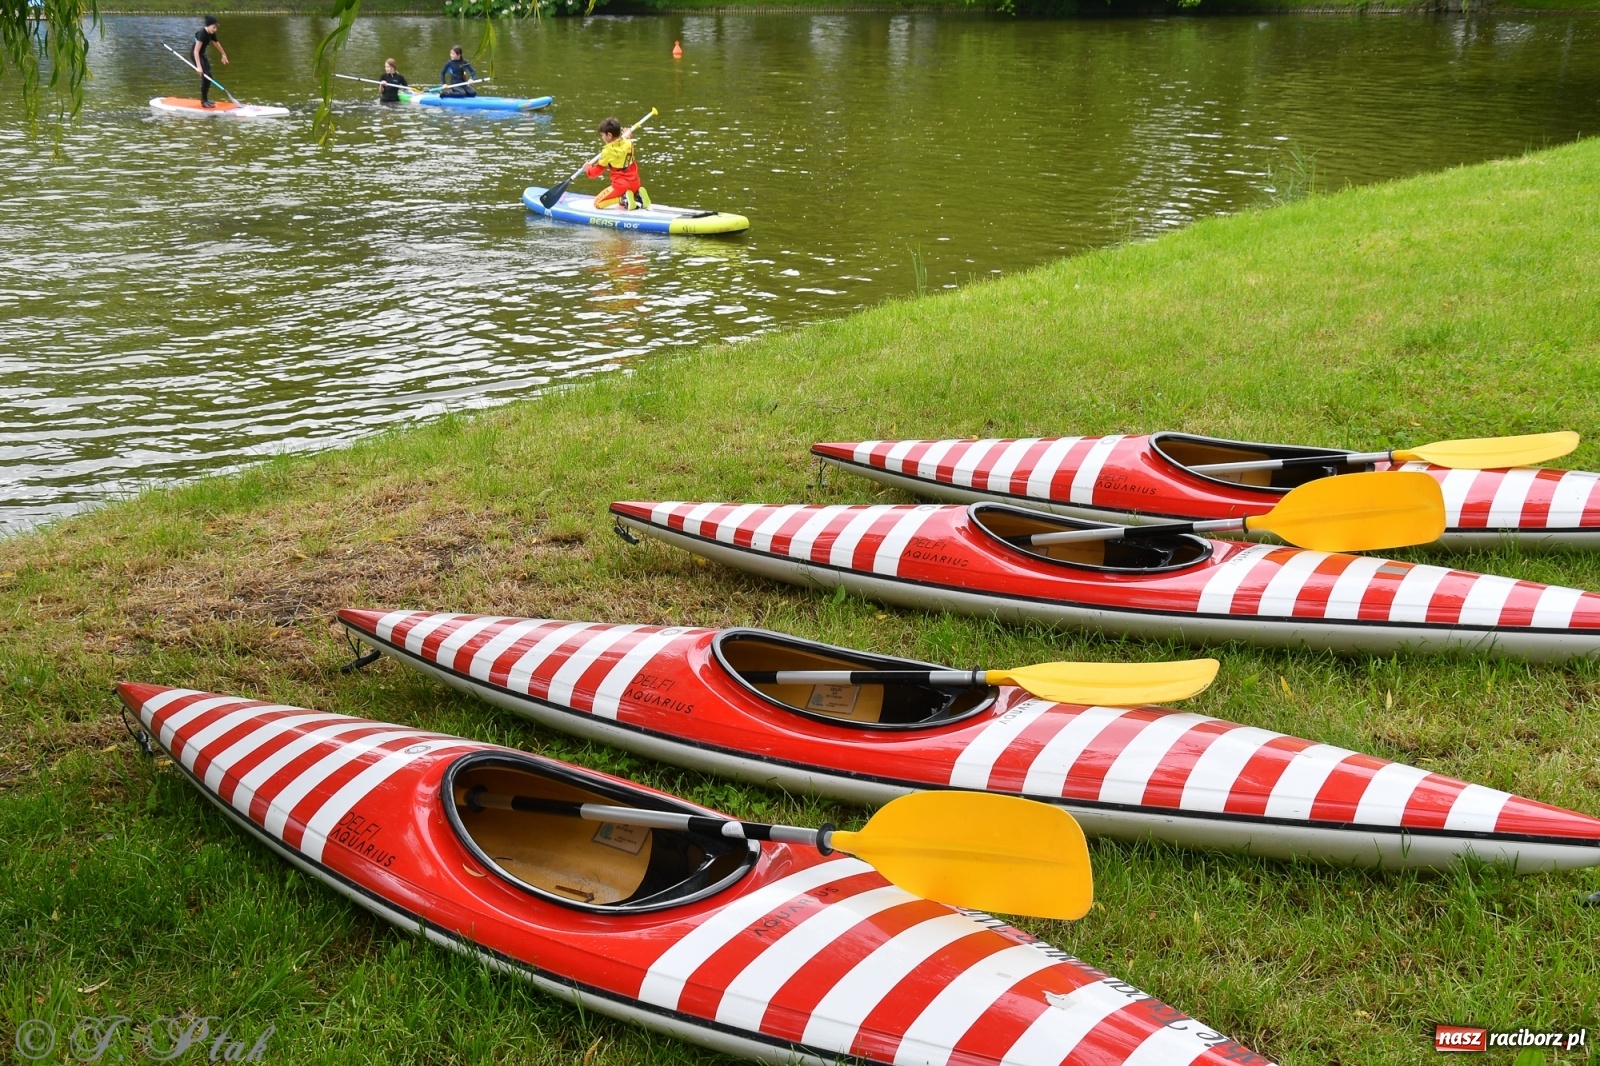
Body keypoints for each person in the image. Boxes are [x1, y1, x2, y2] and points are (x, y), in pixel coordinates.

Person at [586, 117, 650, 211]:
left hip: (620, 186)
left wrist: (588, 169)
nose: (602, 138)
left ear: (609, 135)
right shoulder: (629, 143)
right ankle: (638, 194)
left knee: (597, 203)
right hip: (635, 182)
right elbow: (626, 141)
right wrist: (628, 136)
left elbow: (596, 172)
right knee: (624, 200)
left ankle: (623, 198)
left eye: (603, 135)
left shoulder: (607, 151)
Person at [192, 16, 228, 109]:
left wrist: (223, 54)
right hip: (196, 55)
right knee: (206, 76)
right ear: (208, 26)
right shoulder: (202, 34)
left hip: (202, 55)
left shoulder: (211, 32)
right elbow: (196, 51)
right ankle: (203, 101)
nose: (215, 29)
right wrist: (198, 67)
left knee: (209, 76)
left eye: (216, 28)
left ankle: (205, 100)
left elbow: (216, 43)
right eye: (213, 27)